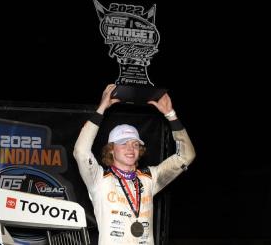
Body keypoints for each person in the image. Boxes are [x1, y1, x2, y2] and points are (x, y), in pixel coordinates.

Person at [73, 84, 196, 245]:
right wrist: (101, 108)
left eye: (135, 144)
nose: (131, 149)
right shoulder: (99, 179)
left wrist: (170, 115)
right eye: (123, 143)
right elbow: (81, 152)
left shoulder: (149, 178)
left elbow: (186, 156)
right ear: (111, 149)